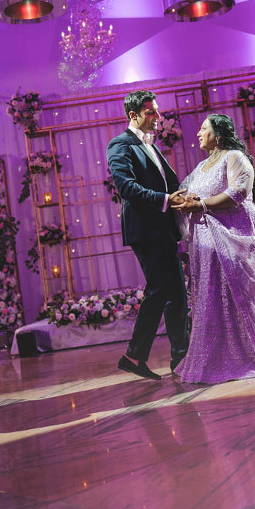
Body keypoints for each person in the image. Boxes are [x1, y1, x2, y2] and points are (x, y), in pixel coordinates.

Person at [174, 113, 255, 384]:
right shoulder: (200, 168)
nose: (198, 133)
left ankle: (253, 353)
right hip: (205, 244)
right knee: (211, 295)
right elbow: (185, 192)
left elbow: (238, 193)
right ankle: (217, 356)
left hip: (231, 238)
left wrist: (201, 204)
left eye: (204, 129)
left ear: (219, 135)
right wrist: (181, 200)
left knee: (238, 294)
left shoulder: (233, 157)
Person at [106, 89, 189, 380]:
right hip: (146, 229)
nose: (157, 115)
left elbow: (168, 183)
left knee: (176, 293)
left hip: (163, 228)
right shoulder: (120, 144)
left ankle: (180, 359)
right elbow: (126, 187)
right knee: (160, 289)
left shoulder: (151, 145)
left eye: (157, 109)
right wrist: (166, 200)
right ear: (134, 115)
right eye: (151, 111)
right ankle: (134, 355)